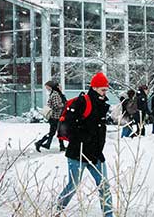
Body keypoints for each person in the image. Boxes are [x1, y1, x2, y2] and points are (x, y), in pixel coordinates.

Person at [56, 72, 113, 217]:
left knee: (104, 185)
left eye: (106, 89)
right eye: (102, 89)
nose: (105, 92)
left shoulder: (102, 104)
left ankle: (109, 215)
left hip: (96, 154)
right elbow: (68, 125)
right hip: (78, 153)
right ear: (94, 88)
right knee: (73, 186)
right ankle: (57, 209)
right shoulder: (82, 102)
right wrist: (81, 137)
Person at [35, 80, 66, 152]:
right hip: (56, 117)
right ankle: (40, 143)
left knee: (56, 132)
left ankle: (47, 144)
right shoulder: (55, 94)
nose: (47, 89)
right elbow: (56, 105)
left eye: (47, 88)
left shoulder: (56, 93)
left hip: (55, 117)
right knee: (57, 132)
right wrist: (64, 105)